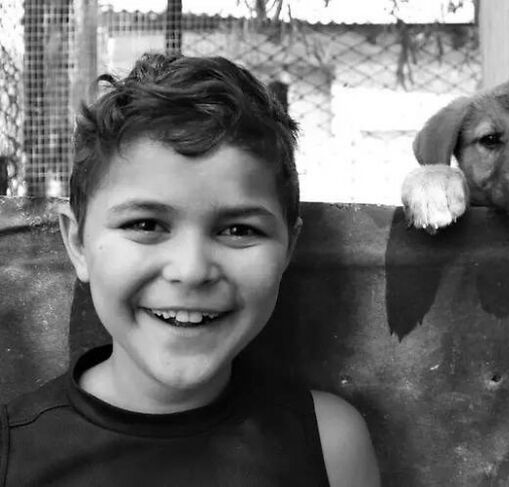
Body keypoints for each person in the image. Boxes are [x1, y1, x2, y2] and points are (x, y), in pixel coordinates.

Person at [0, 53, 381, 486]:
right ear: (77, 243)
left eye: (238, 229)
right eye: (145, 224)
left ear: (288, 248)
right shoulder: (11, 453)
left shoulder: (331, 443)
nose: (192, 270)